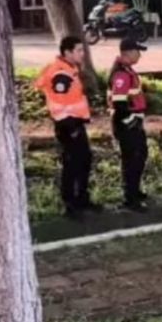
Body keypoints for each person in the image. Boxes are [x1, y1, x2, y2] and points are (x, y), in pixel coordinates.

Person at [34, 36, 101, 219]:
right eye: (79, 50)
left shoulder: (70, 69)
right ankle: (71, 204)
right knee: (73, 163)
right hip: (68, 124)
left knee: (84, 159)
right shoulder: (61, 73)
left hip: (74, 122)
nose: (82, 54)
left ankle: (81, 199)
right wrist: (70, 126)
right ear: (67, 52)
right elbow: (59, 102)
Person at [108, 37, 150, 212]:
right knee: (132, 160)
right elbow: (119, 105)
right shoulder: (121, 74)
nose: (139, 55)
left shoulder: (127, 70)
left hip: (132, 122)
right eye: (137, 51)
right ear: (128, 53)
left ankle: (134, 191)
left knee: (140, 156)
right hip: (127, 124)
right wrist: (130, 121)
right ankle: (130, 198)